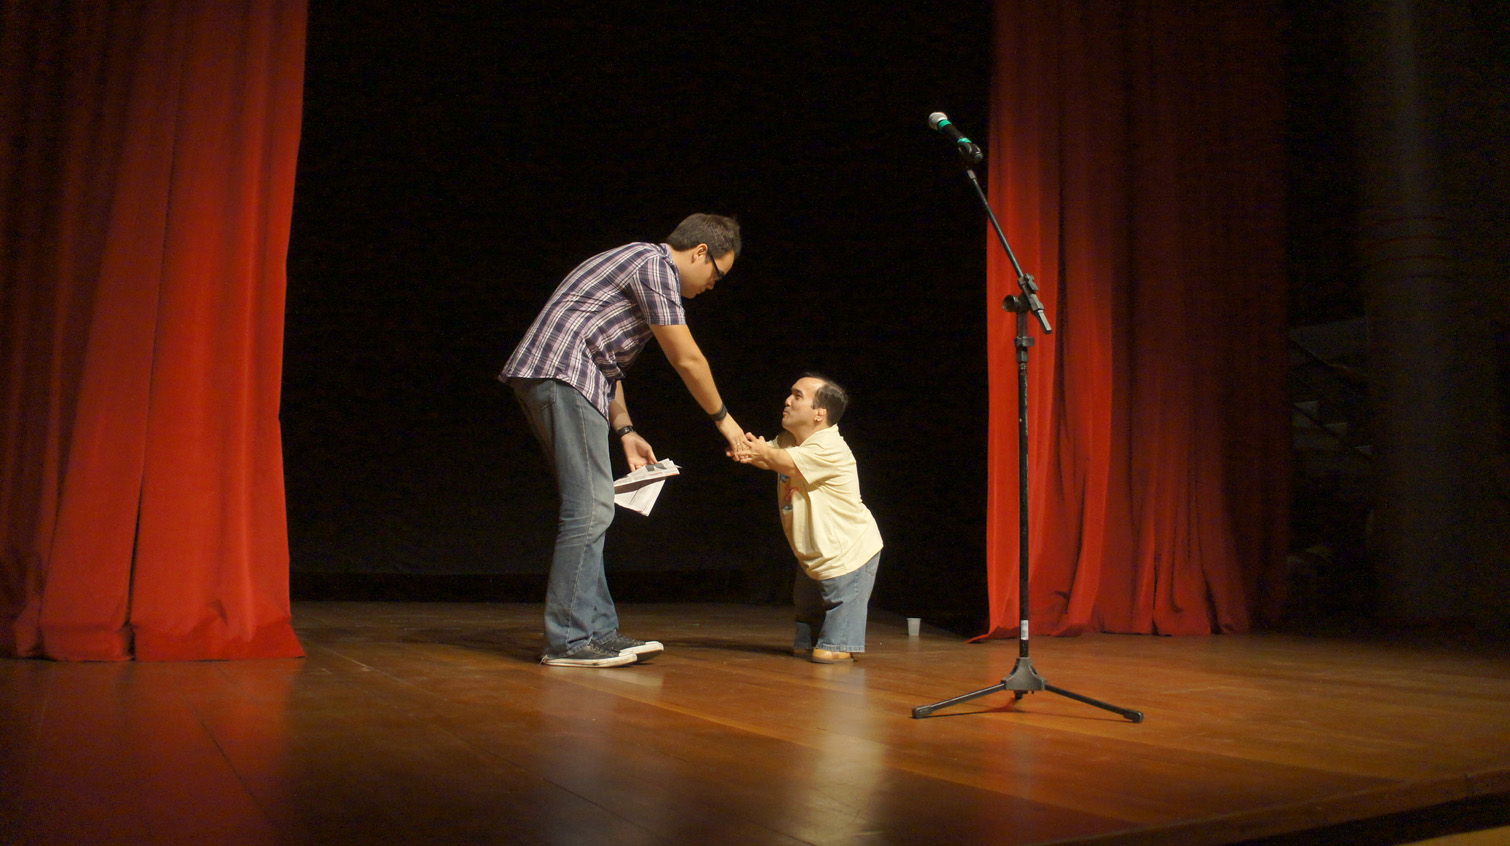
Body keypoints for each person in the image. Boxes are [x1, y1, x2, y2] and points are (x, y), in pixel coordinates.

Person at [501, 213, 746, 668]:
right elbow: (687, 358)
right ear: (700, 253)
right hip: (563, 375)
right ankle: (569, 641)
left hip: (573, 378)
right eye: (718, 273)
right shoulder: (654, 264)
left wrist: (626, 431)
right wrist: (725, 422)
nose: (714, 285)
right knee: (590, 508)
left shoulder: (639, 265)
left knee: (593, 506)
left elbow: (607, 365)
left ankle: (599, 632)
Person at [735, 374, 883, 663]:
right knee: (804, 642)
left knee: (830, 654)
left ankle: (840, 646)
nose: (787, 401)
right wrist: (741, 445)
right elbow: (766, 456)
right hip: (814, 555)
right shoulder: (790, 440)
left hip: (849, 553)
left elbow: (783, 461)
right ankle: (823, 640)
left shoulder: (830, 446)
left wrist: (760, 450)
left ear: (819, 413)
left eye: (798, 396)